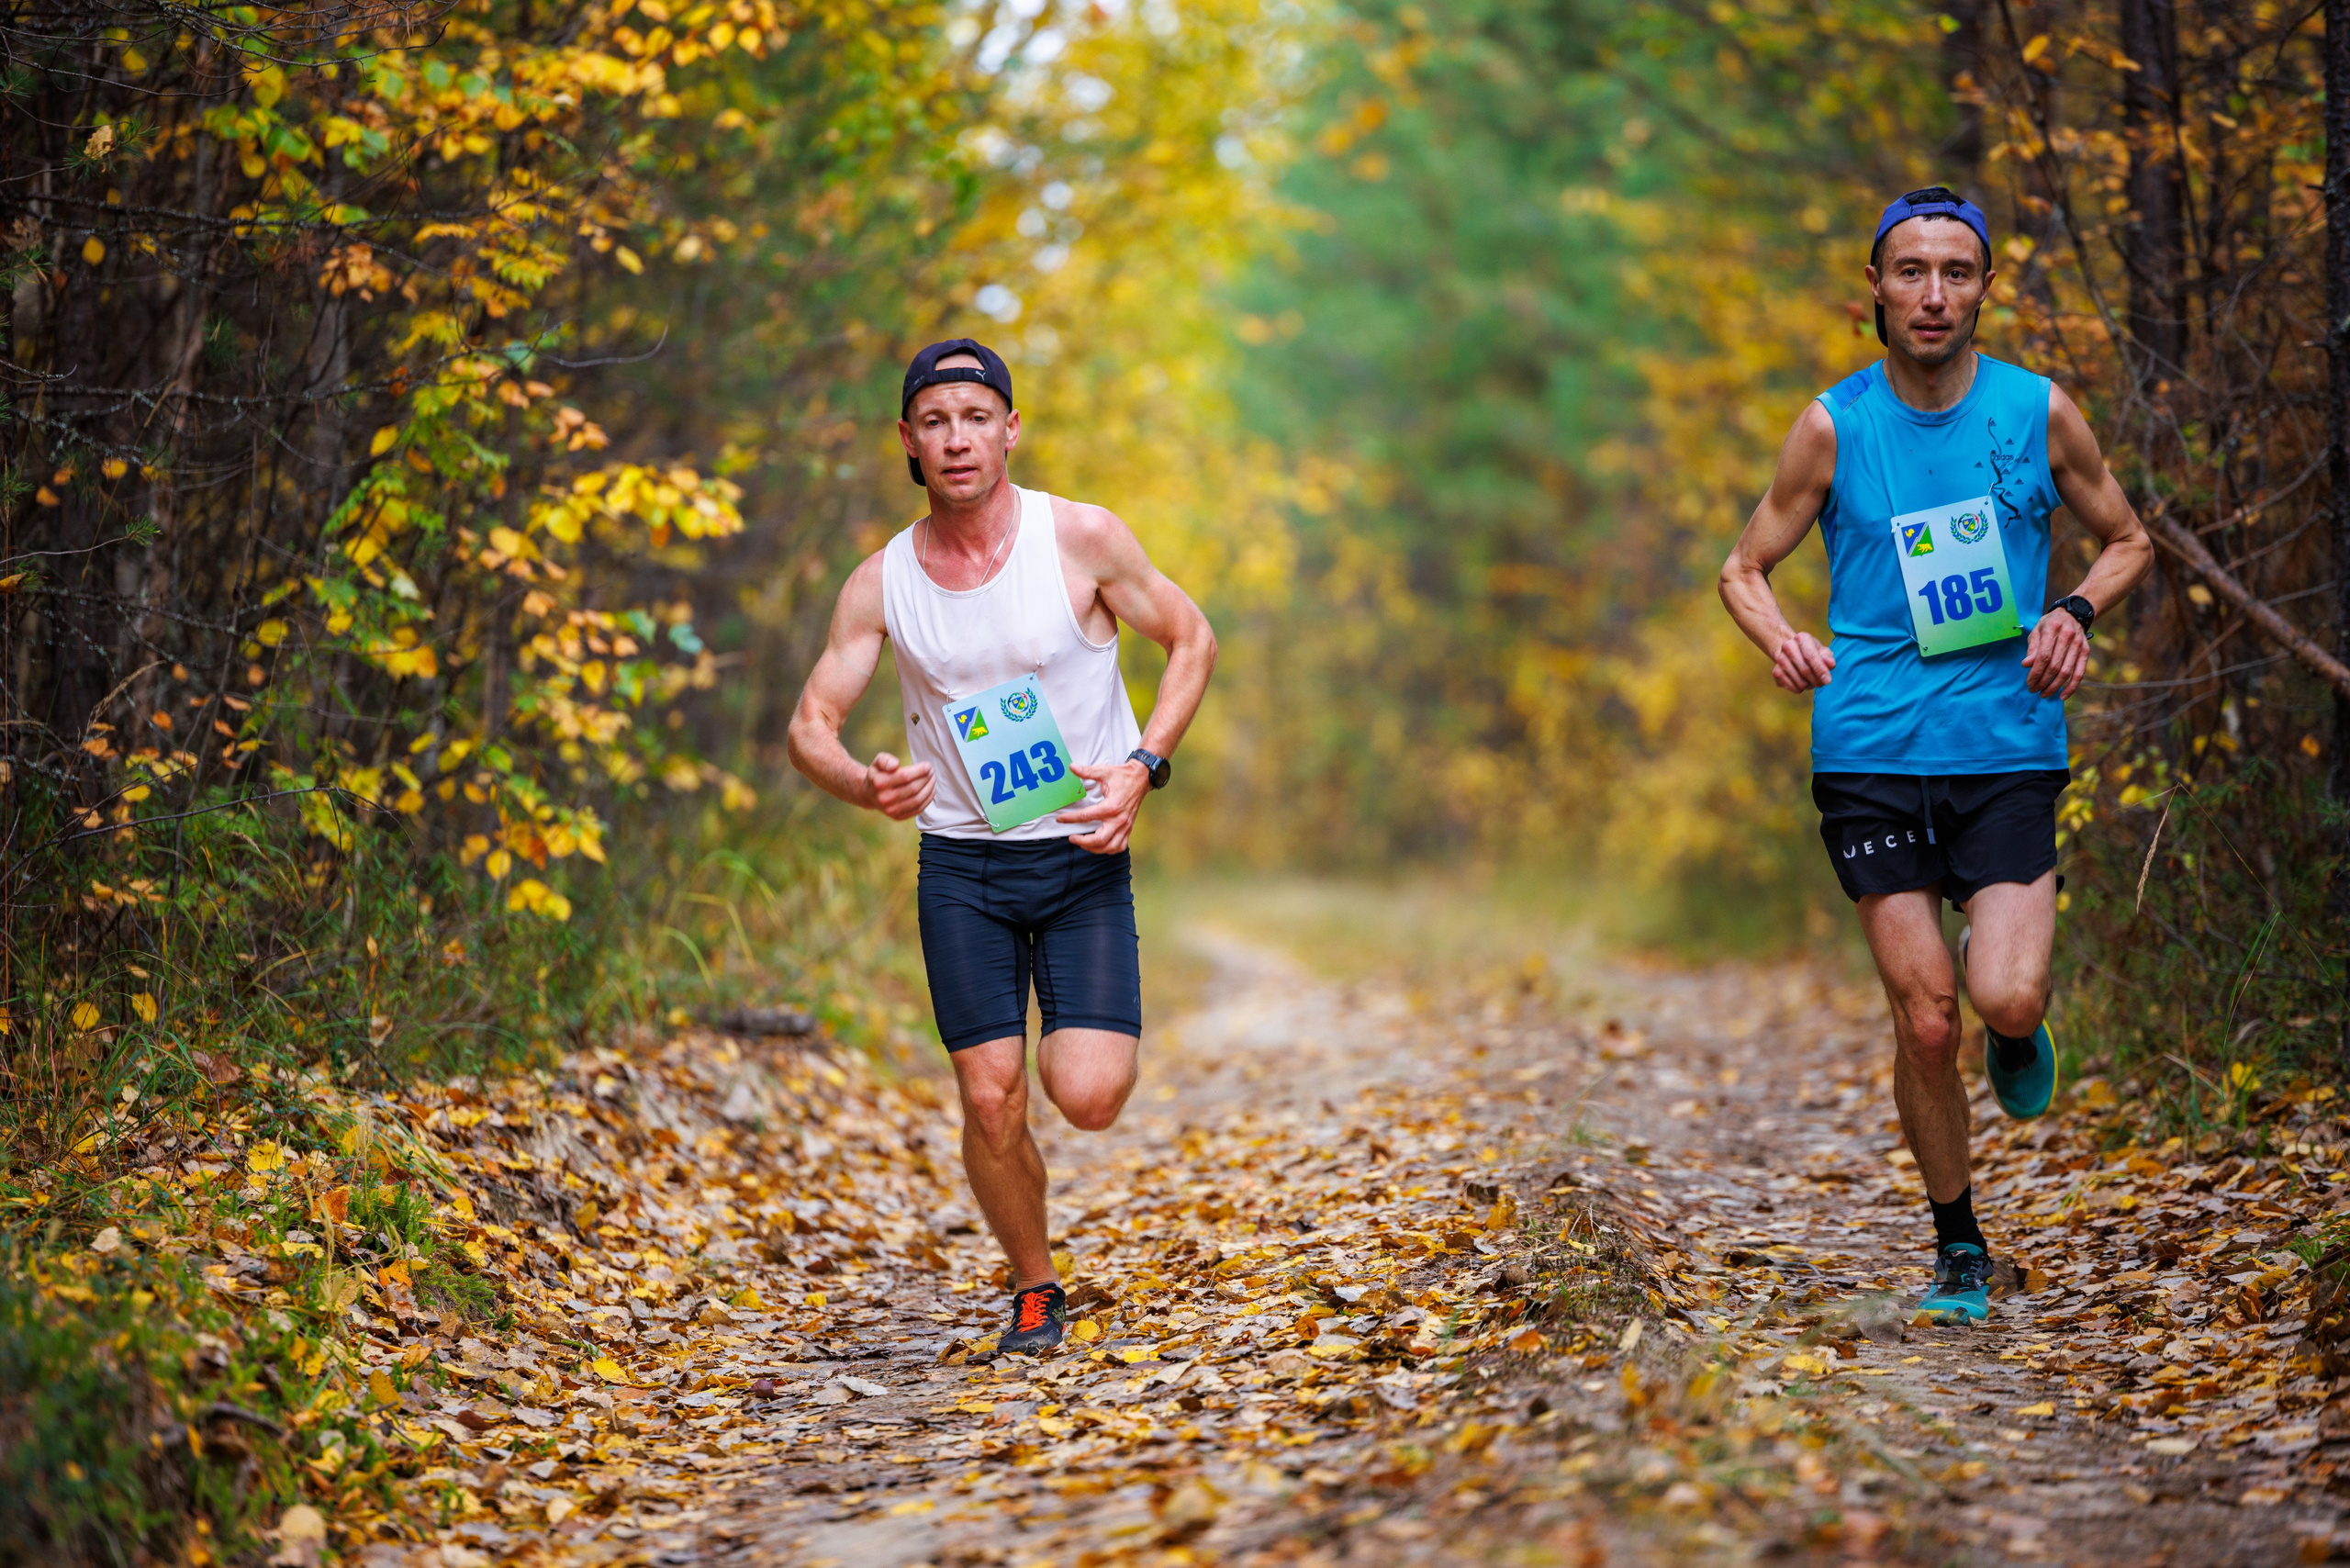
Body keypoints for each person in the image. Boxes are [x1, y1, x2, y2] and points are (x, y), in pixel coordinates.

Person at [1718, 188, 2153, 1322]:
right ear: (1874, 287)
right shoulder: (1833, 426)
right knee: (1924, 1020)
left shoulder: (2035, 411)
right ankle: (1959, 1245)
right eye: (1909, 271)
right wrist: (1781, 638)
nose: (1931, 294)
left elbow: (2127, 539)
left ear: (1984, 289)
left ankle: (2010, 1020)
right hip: (1868, 747)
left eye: (1955, 272)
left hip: (2004, 742)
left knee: (2004, 995)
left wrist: (2073, 611)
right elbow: (1742, 568)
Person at [786, 340, 1217, 1353]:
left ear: (1010, 430)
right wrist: (864, 784)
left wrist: (1143, 765)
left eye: (976, 418)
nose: (957, 439)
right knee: (989, 1098)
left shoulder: (1081, 538)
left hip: (1080, 855)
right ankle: (1035, 1285)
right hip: (962, 868)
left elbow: (1191, 640)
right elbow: (811, 726)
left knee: (1088, 1096)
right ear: (908, 441)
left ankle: (1065, 1126)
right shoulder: (882, 582)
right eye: (935, 422)